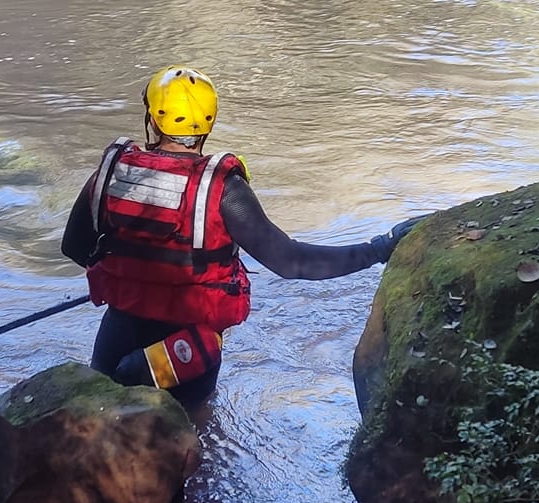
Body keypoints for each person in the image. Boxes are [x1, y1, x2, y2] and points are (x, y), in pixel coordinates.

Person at [61, 66, 416, 402]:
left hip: (117, 337)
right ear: (209, 124)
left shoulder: (113, 172)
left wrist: (136, 268)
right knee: (194, 436)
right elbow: (292, 263)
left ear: (153, 119)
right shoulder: (223, 189)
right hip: (187, 350)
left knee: (103, 425)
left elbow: (75, 248)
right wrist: (379, 249)